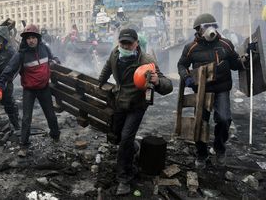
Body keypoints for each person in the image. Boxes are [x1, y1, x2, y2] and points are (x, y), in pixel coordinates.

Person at [98, 28, 173, 195]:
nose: (125, 46)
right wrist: (100, 84)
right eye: (122, 42)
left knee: (125, 138)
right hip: (119, 102)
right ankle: (134, 147)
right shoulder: (115, 54)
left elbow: (168, 86)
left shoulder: (146, 60)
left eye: (129, 43)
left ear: (136, 44)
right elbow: (107, 68)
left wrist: (157, 81)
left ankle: (124, 178)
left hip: (137, 105)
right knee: (117, 136)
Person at [177, 13, 253, 169]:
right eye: (205, 26)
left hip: (221, 89)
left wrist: (246, 57)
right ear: (198, 30)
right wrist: (187, 78)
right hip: (201, 90)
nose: (210, 29)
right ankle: (201, 154)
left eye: (213, 25)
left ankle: (219, 148)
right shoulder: (191, 47)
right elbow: (181, 65)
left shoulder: (225, 44)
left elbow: (235, 64)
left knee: (224, 119)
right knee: (200, 122)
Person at [0, 24, 61, 157]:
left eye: (33, 37)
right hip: (29, 90)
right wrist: (0, 86)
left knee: (51, 116)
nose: (31, 40)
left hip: (44, 88)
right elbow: (9, 70)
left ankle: (55, 136)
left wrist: (55, 61)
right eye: (28, 38)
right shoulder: (21, 54)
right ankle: (24, 145)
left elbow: (54, 58)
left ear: (38, 38)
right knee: (26, 119)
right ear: (25, 40)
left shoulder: (44, 49)